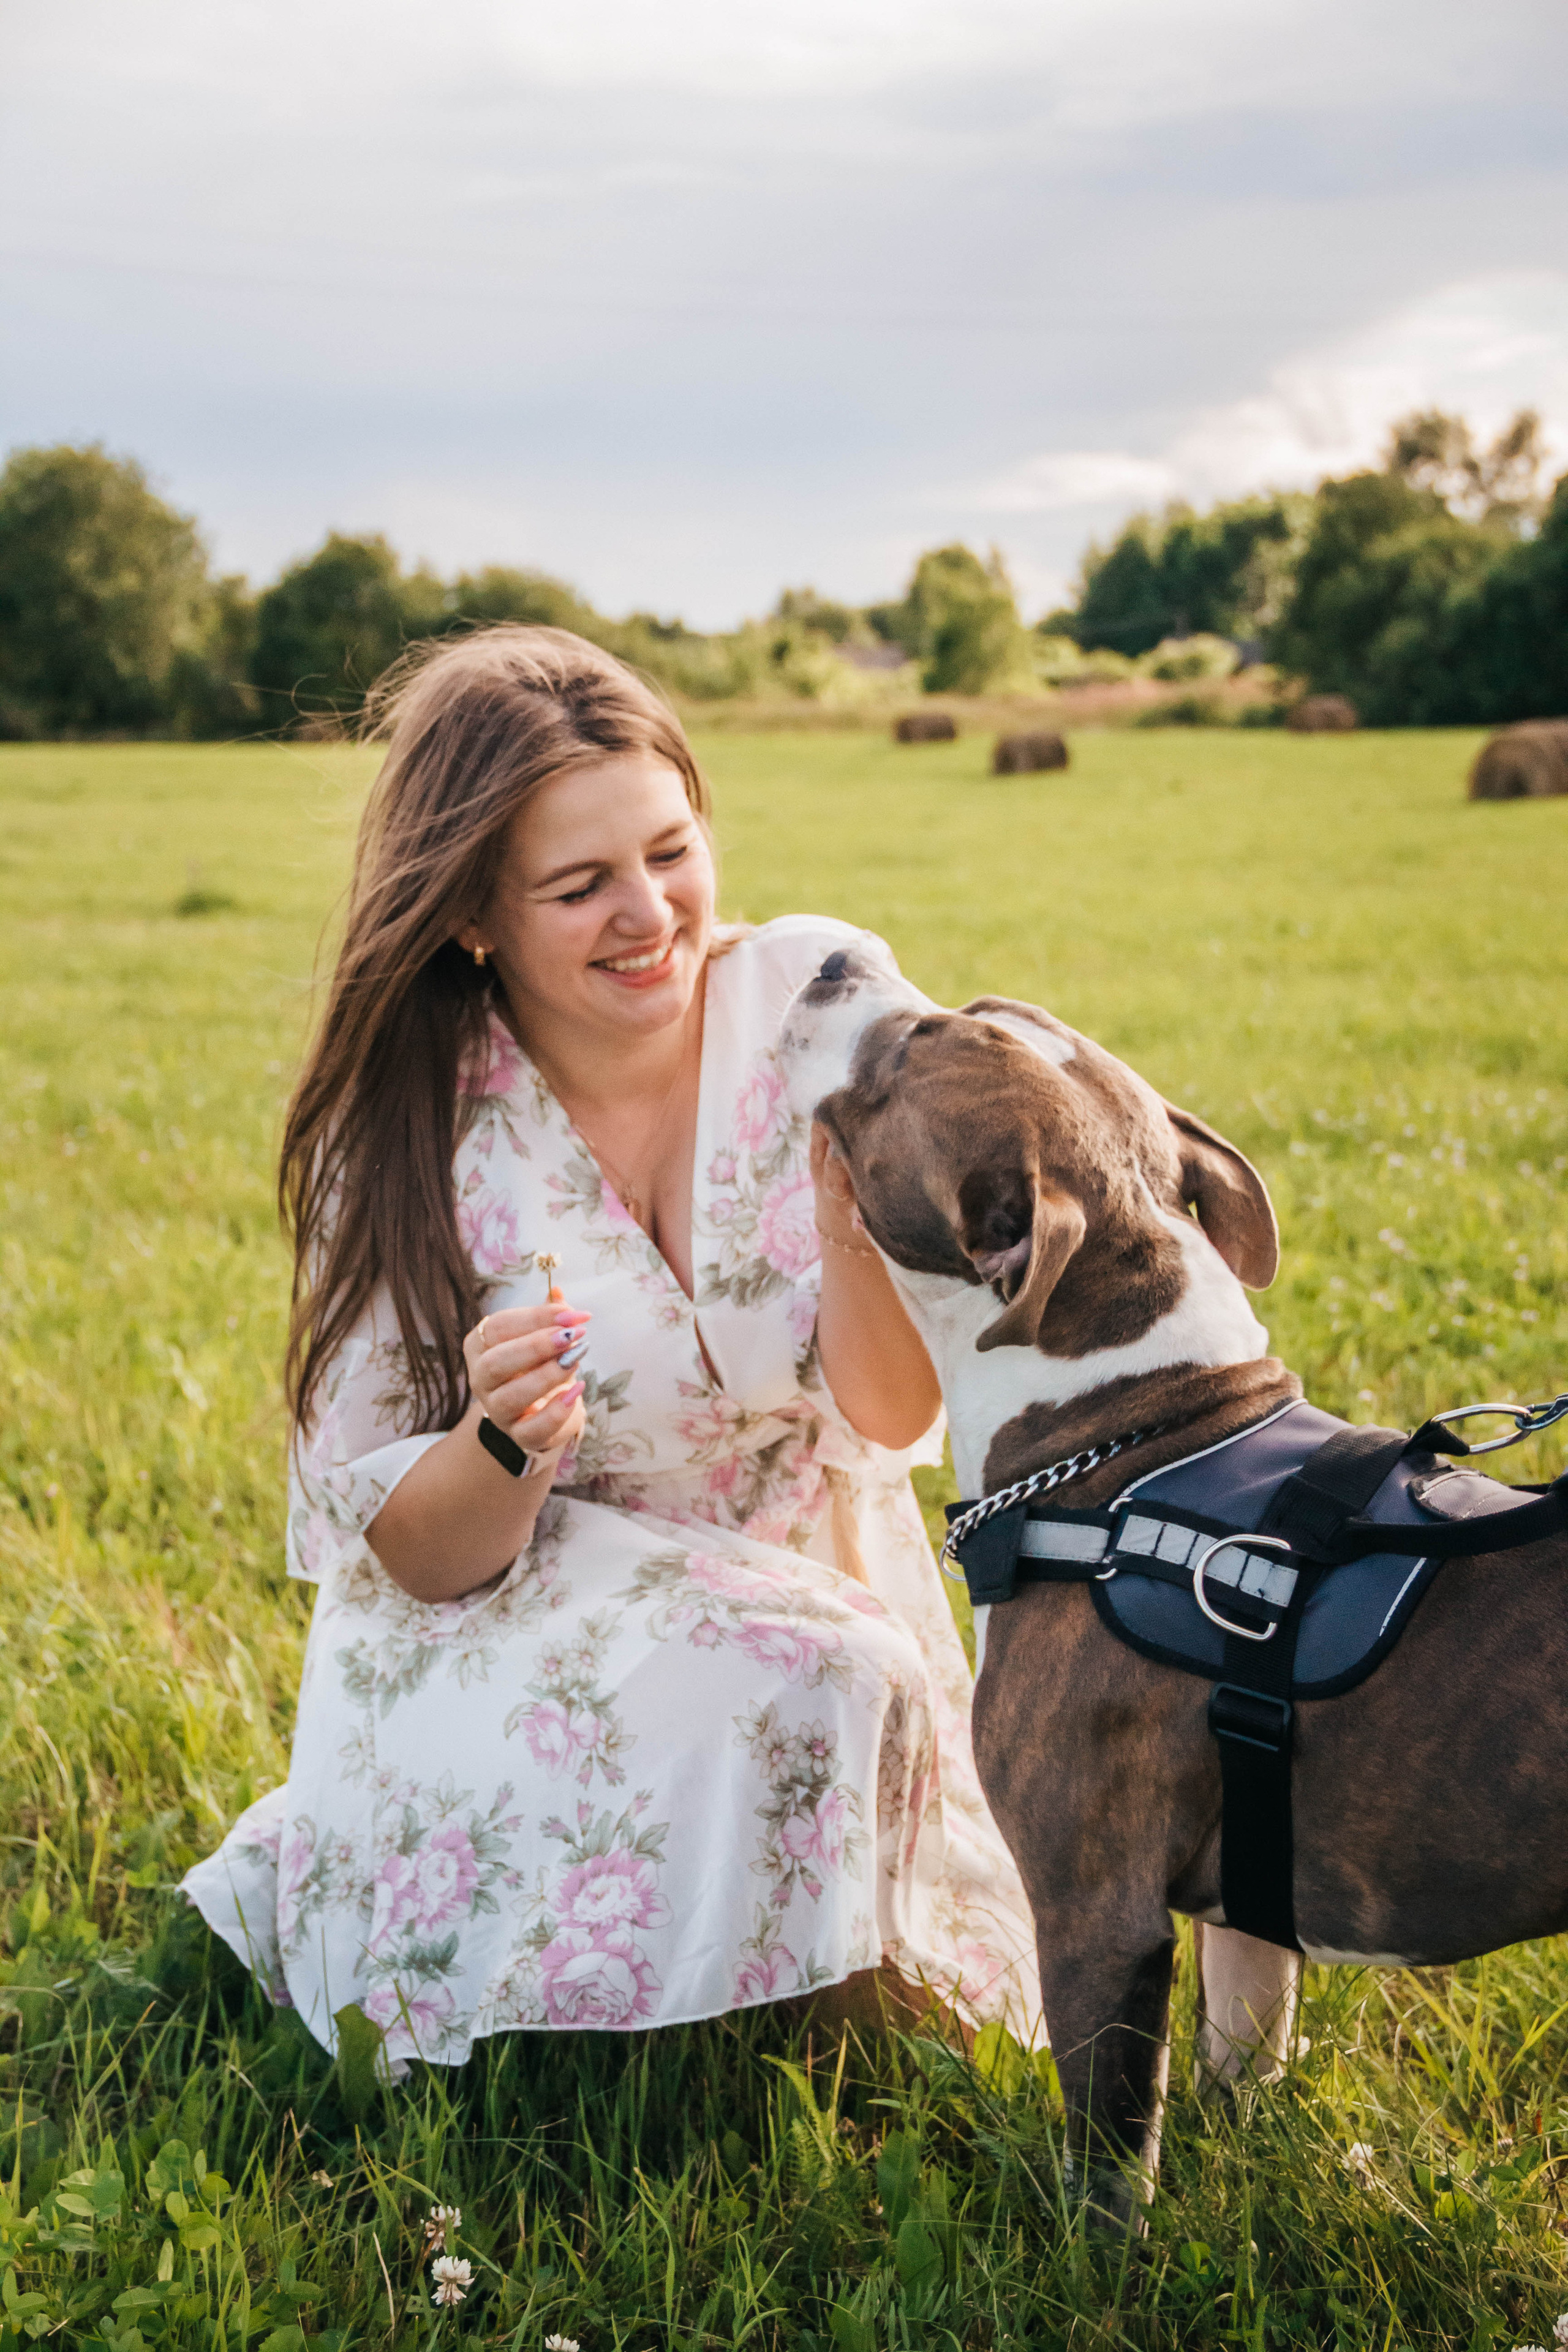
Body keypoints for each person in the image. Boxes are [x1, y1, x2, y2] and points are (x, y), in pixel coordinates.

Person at [183, 627, 1042, 2066]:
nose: (648, 914)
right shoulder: (405, 1125)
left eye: (668, 851)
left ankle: (797, 2022)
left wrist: (849, 1211)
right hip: (524, 1604)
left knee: (838, 1670)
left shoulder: (822, 1001)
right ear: (473, 917)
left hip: (805, 1570)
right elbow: (420, 1557)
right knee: (828, 1675)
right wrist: (502, 1439)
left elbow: (889, 1422)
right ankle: (716, 2036)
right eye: (578, 886)